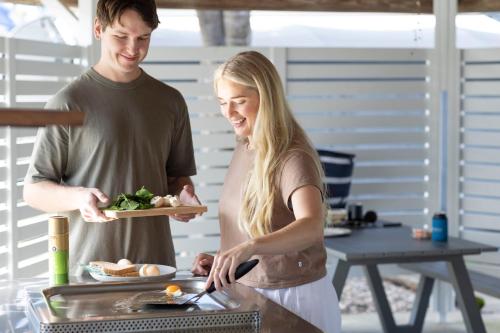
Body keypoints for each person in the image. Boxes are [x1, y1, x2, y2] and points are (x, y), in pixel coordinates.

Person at [23, 0, 200, 275]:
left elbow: (177, 179)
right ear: (98, 29)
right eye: (121, 36)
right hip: (89, 272)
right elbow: (33, 190)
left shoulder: (171, 102)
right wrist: (79, 197)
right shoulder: (67, 103)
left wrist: (183, 199)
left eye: (143, 37)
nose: (133, 48)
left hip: (155, 270)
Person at [191, 51, 341, 333]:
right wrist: (225, 261)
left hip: (294, 298)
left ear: (266, 97)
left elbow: (311, 226)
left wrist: (249, 247)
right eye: (223, 102)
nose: (229, 112)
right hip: (251, 292)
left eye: (239, 101)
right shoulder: (246, 147)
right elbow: (257, 224)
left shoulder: (292, 155)